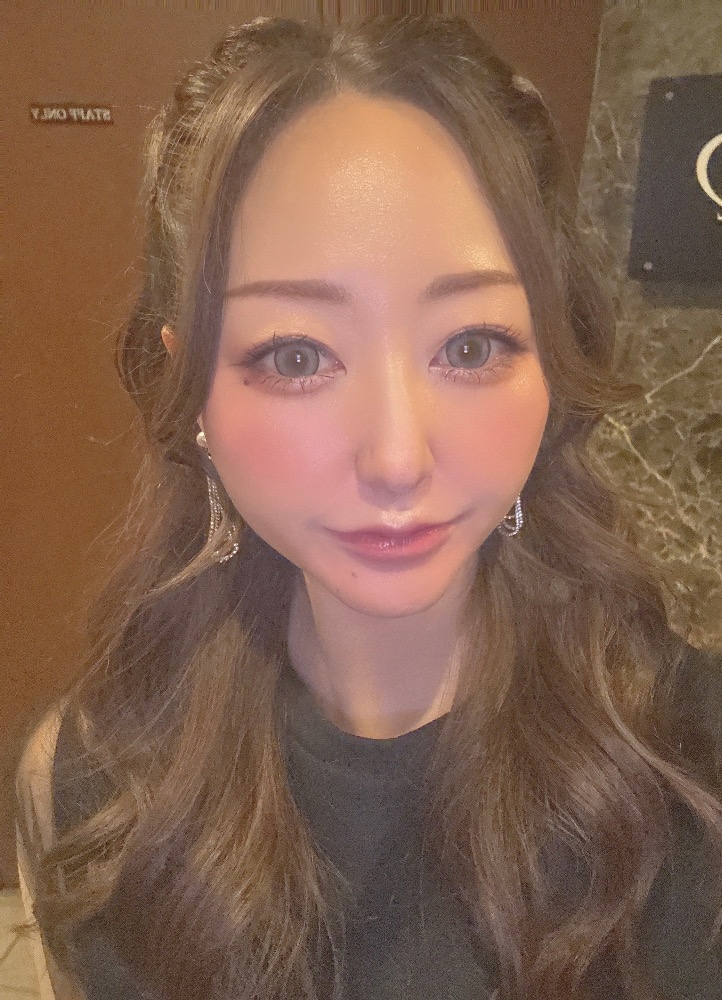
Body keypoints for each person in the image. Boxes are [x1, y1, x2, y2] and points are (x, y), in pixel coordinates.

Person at [14, 14, 722, 1000]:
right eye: (297, 355)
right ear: (192, 390)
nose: (396, 457)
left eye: (469, 346)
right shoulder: (89, 786)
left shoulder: (693, 769)